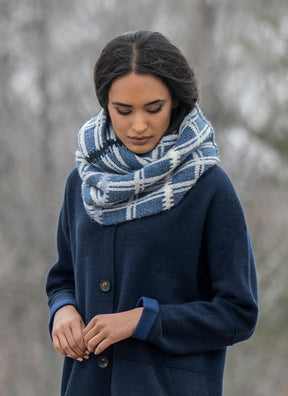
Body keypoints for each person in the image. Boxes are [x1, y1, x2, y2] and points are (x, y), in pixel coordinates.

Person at [46, 31, 258, 396]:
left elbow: (238, 313)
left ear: (175, 102)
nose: (138, 125)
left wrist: (144, 320)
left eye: (153, 108)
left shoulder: (208, 187)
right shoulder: (83, 184)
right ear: (105, 104)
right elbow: (63, 277)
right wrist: (63, 310)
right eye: (123, 111)